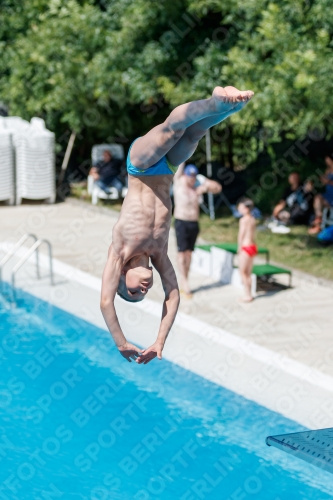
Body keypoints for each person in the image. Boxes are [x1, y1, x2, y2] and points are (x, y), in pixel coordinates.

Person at [100, 85, 254, 364]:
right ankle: (230, 106)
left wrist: (121, 343)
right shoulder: (158, 254)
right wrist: (159, 341)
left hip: (141, 166)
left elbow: (105, 302)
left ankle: (214, 100)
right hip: (167, 170)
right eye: (142, 295)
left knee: (172, 129)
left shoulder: (119, 252)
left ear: (122, 276)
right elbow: (172, 296)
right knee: (194, 132)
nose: (143, 290)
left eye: (133, 291)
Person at [173, 162, 222, 297]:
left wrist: (205, 187)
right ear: (185, 175)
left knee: (189, 254)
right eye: (190, 177)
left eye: (193, 178)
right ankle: (184, 281)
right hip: (181, 221)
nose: (191, 180)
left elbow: (218, 187)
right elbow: (180, 162)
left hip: (194, 222)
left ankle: (186, 277)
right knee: (182, 253)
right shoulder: (179, 181)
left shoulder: (198, 182)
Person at [237, 198, 257, 302]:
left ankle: (247, 294)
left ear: (245, 208)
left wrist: (239, 248)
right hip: (253, 246)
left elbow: (241, 235)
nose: (238, 209)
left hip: (245, 247)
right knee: (248, 273)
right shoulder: (253, 219)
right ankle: (250, 293)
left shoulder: (243, 220)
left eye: (240, 207)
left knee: (242, 272)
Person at [309, 156, 333, 234]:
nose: (326, 161)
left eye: (327, 159)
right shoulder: (328, 170)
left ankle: (319, 223)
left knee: (319, 199)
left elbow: (328, 182)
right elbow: (324, 183)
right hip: (328, 194)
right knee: (318, 198)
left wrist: (328, 182)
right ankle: (318, 220)